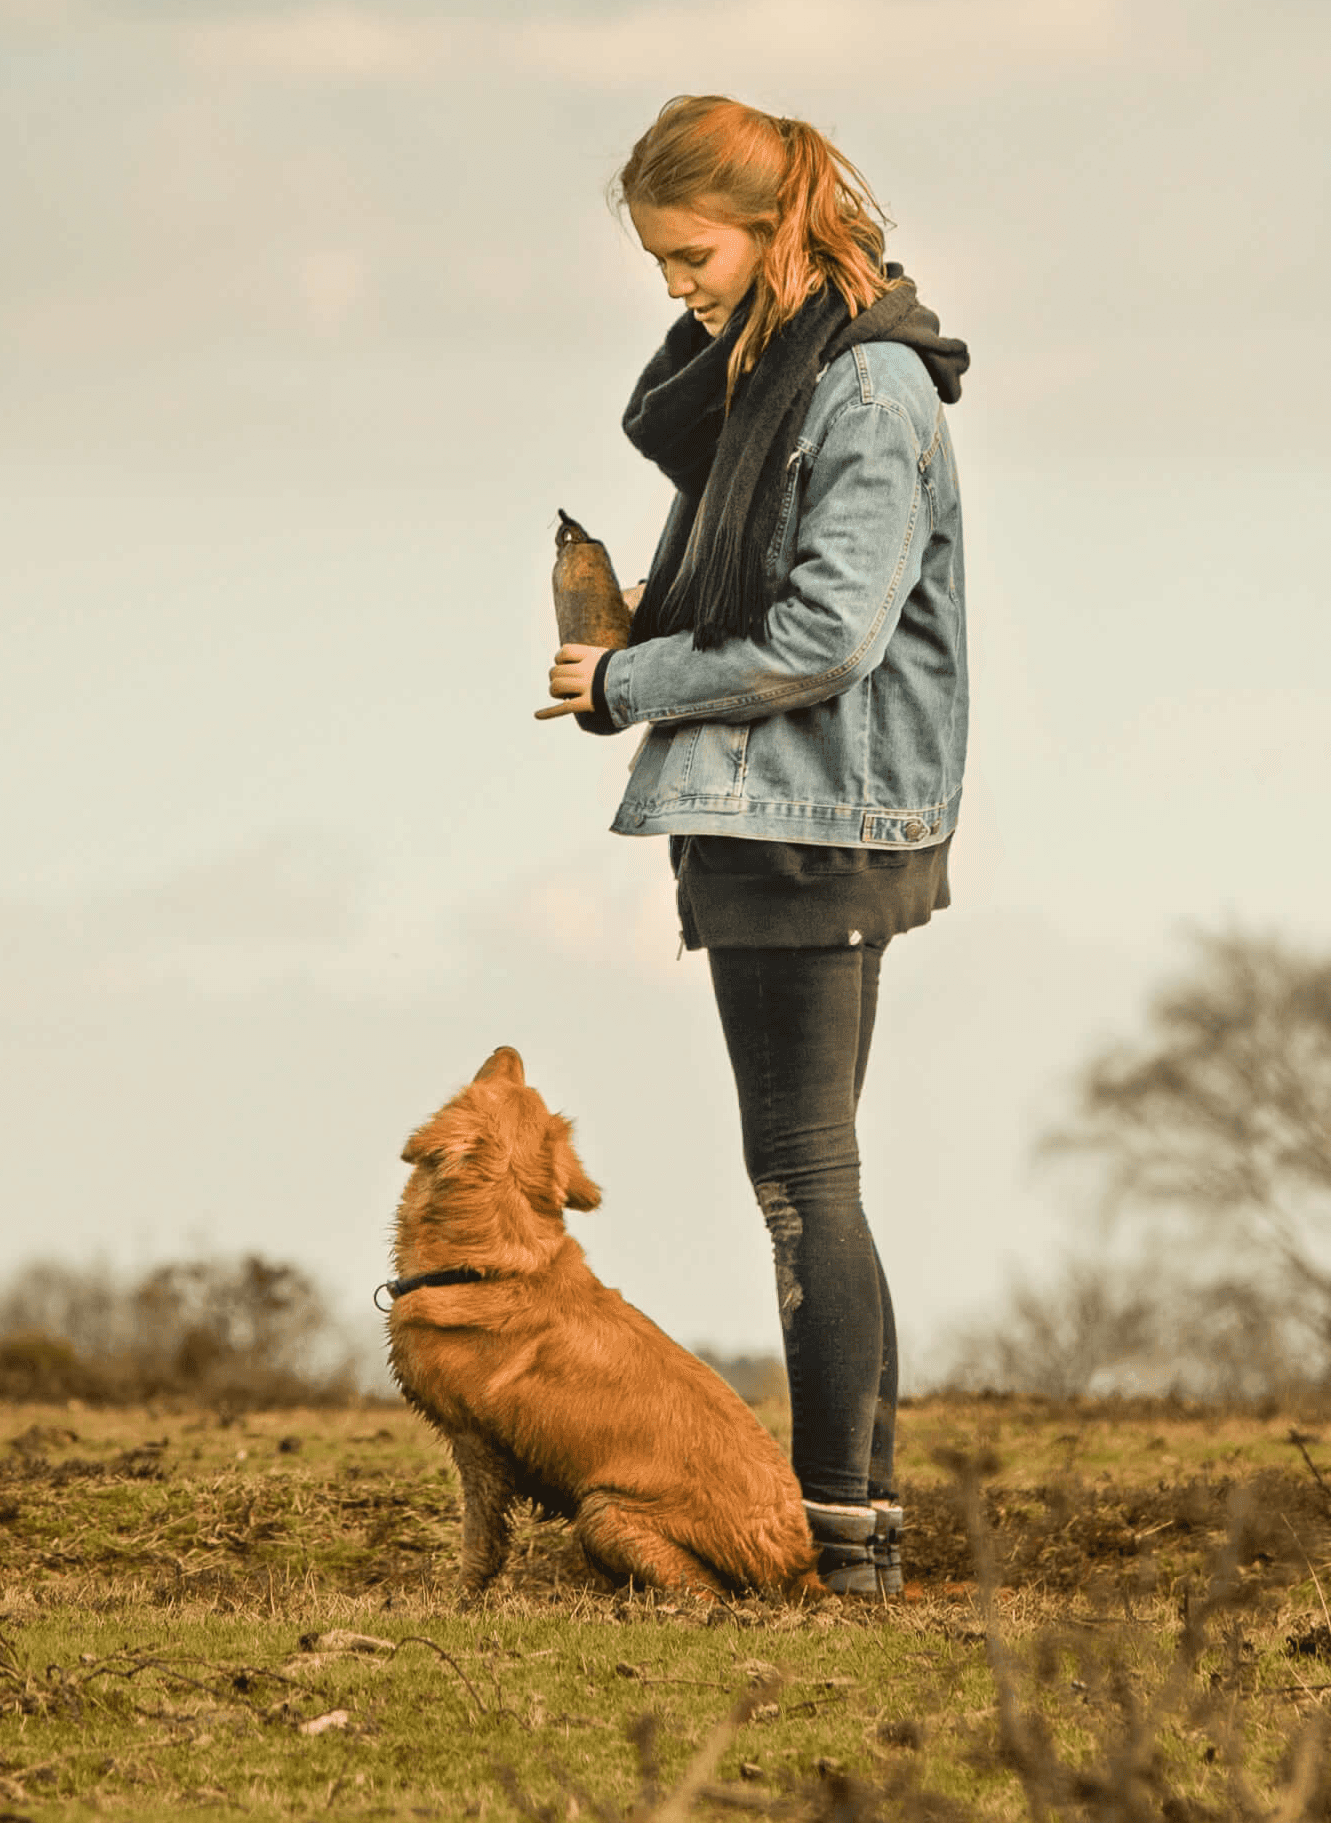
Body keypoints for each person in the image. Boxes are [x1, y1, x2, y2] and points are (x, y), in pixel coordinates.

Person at [539, 94, 970, 1598]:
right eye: (656, 262)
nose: (675, 286)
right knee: (806, 1175)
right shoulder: (768, 380)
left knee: (801, 1177)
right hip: (766, 809)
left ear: (774, 223)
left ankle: (837, 1531)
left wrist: (628, 678)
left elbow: (824, 637)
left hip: (817, 816)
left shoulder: (862, 393)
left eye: (690, 254)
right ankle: (858, 1528)